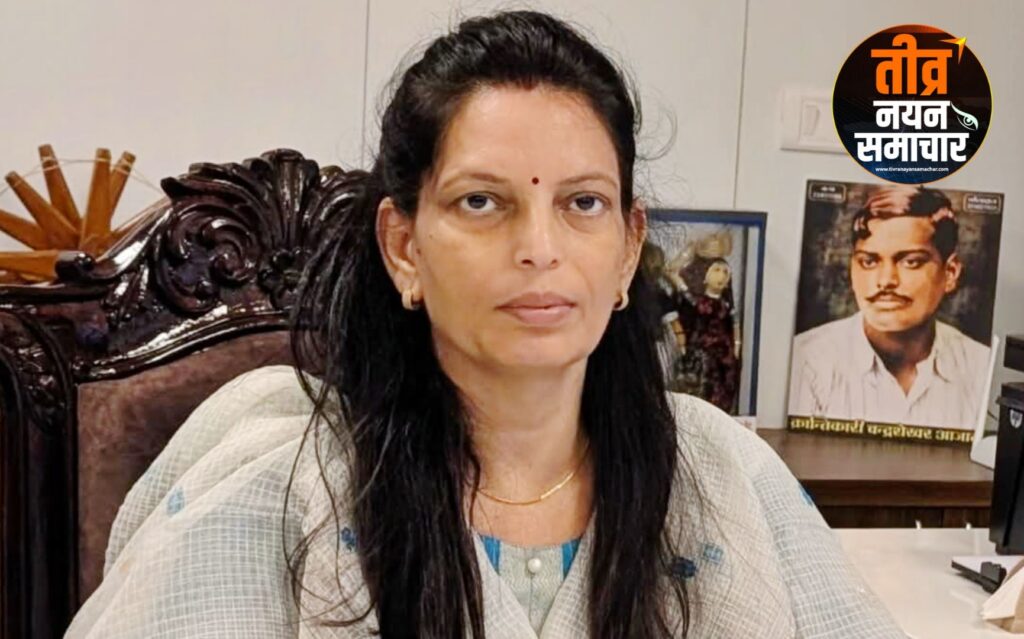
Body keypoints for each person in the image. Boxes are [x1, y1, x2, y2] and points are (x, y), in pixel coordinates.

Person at [66, 10, 903, 639]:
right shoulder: (282, 479)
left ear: (627, 250)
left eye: (582, 203)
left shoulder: (723, 477)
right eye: (481, 201)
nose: (539, 247)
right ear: (404, 247)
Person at [789, 185, 992, 428]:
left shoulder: (980, 367)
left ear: (950, 273)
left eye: (911, 262)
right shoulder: (807, 361)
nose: (886, 281)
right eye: (869, 261)